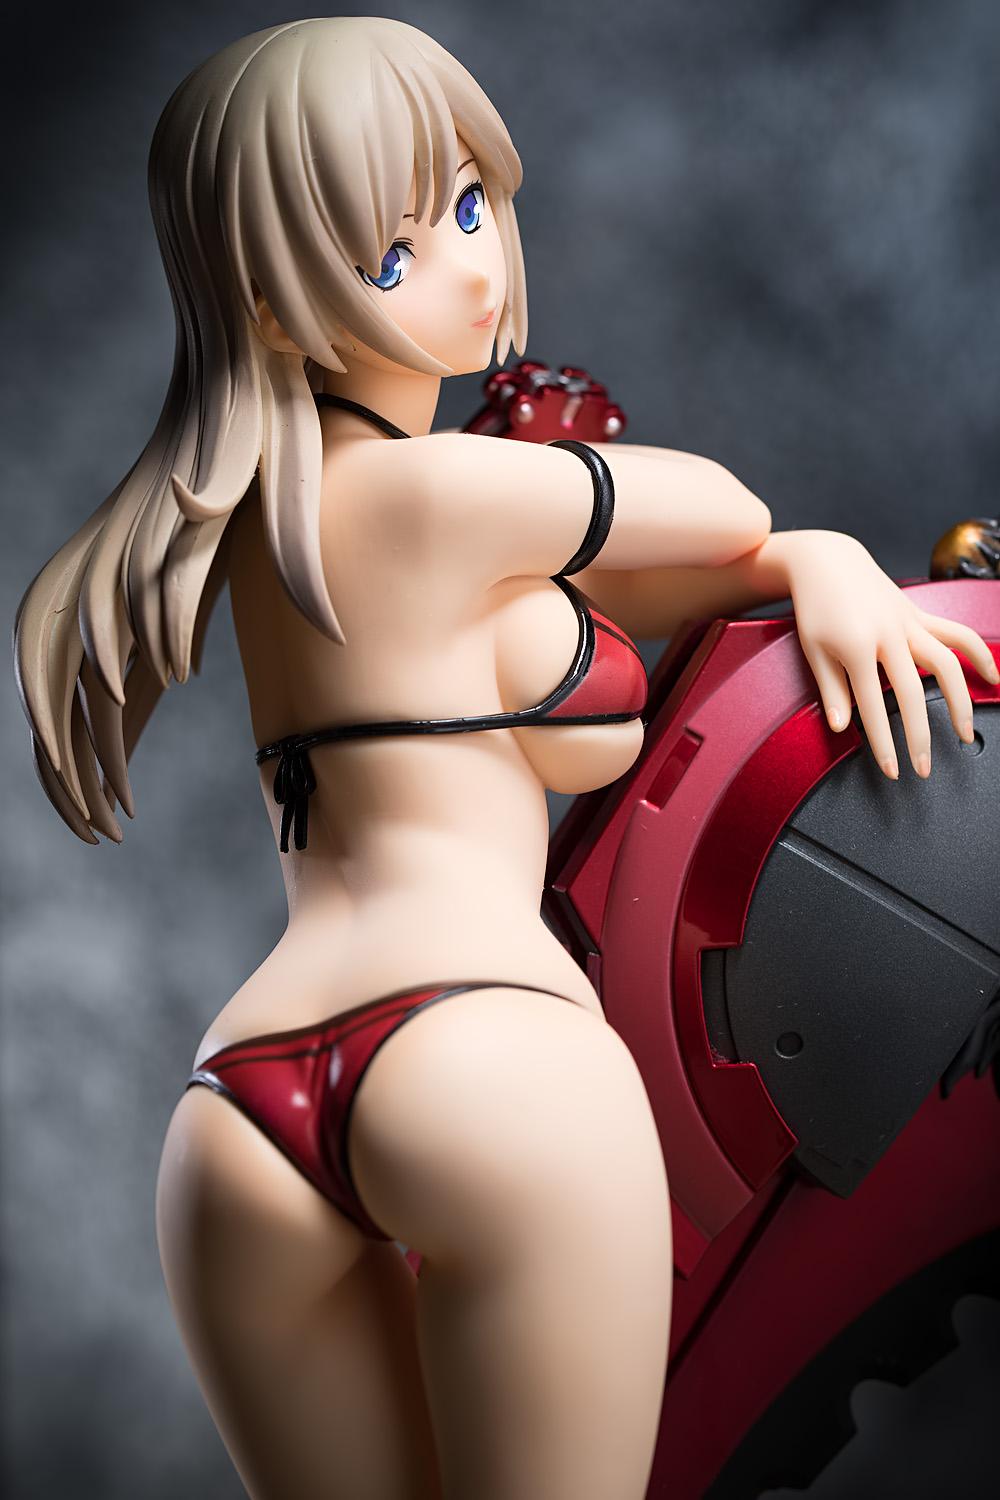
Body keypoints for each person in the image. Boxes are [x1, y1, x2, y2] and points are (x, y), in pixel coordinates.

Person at [13, 18, 998, 1500]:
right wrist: (804, 551)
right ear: (273, 300)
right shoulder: (429, 495)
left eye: (472, 203)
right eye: (395, 252)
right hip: (487, 1057)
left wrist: (814, 564)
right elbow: (715, 512)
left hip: (241, 1118)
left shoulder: (280, 527)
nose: (473, 267)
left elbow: (651, 581)